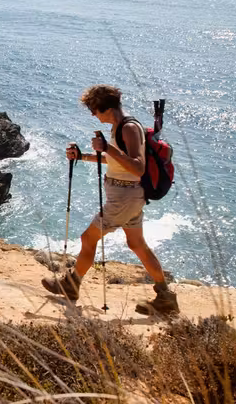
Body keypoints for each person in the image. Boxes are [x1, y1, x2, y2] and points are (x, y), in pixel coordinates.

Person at [41, 84, 179, 316]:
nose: (94, 115)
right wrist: (83, 156)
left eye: (94, 110)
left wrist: (107, 147)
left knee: (88, 238)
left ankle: (71, 285)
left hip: (125, 197)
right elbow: (117, 162)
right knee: (137, 245)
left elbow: (138, 166)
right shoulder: (120, 127)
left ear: (104, 107)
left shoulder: (129, 128)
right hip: (128, 196)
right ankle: (166, 297)